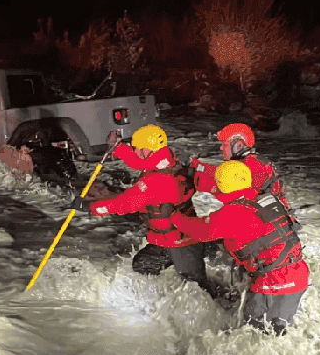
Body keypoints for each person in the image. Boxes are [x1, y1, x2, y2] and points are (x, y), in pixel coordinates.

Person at [170, 160, 308, 335]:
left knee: (255, 334)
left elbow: (200, 230)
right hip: (297, 273)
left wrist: (174, 216)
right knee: (280, 332)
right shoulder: (266, 198)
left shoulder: (233, 213)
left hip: (273, 283)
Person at [77, 125, 216, 293]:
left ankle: (223, 301)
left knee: (198, 288)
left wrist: (89, 207)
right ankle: (160, 300)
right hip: (166, 240)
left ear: (146, 150)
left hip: (183, 243)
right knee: (142, 265)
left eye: (136, 148)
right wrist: (118, 147)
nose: (134, 151)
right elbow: (139, 161)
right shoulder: (169, 158)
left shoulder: (156, 181)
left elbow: (124, 203)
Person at [188, 123, 294, 214]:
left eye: (224, 144)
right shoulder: (251, 162)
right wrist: (195, 164)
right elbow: (220, 174)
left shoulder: (253, 166)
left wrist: (193, 178)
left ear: (238, 145)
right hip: (269, 221)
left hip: (266, 225)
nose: (221, 148)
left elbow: (225, 190)